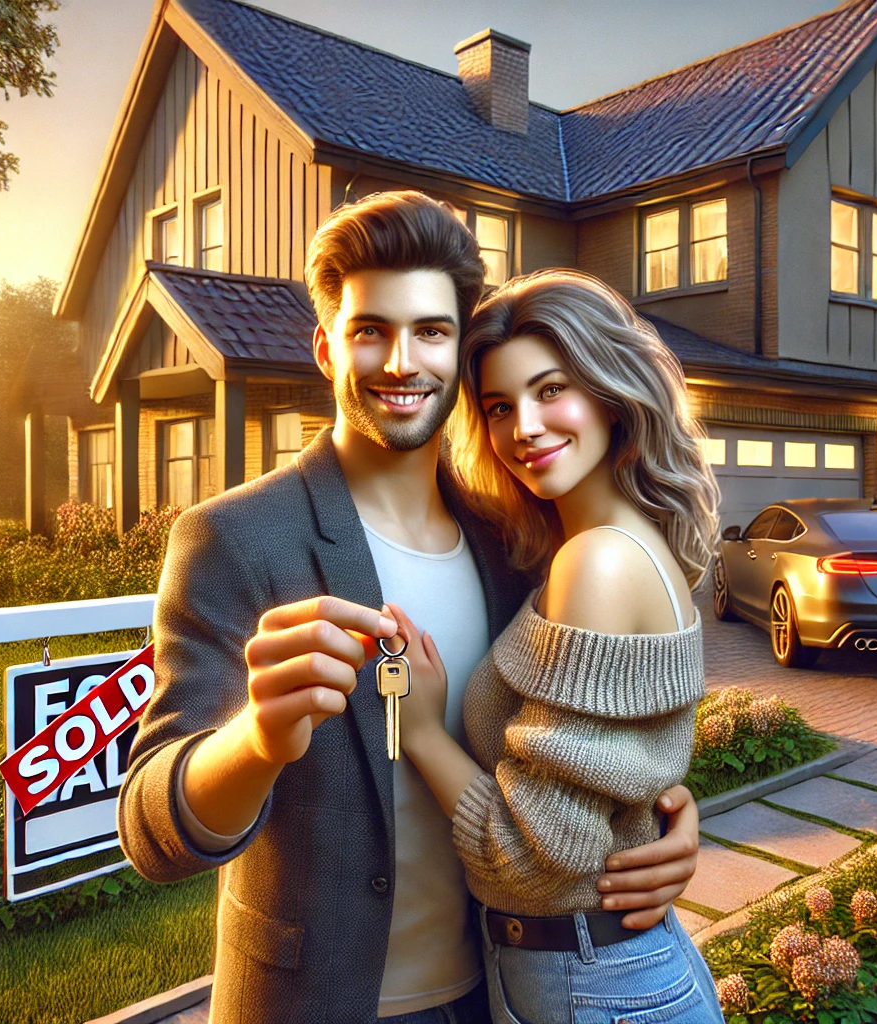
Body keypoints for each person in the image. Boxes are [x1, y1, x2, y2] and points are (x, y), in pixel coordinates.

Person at [117, 193, 703, 1024]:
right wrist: (255, 741)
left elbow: (583, 746)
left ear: (461, 351)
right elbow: (151, 833)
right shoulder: (234, 539)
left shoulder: (517, 541)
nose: (402, 361)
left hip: (492, 997)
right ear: (325, 347)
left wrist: (662, 823)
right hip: (309, 1003)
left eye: (430, 330)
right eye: (370, 331)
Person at [392, 269, 724, 1024]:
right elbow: (616, 773)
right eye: (500, 407)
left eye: (550, 390)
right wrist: (673, 814)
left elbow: (528, 861)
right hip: (599, 974)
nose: (524, 429)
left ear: (611, 392)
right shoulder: (606, 549)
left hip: (595, 985)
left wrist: (419, 730)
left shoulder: (598, 562)